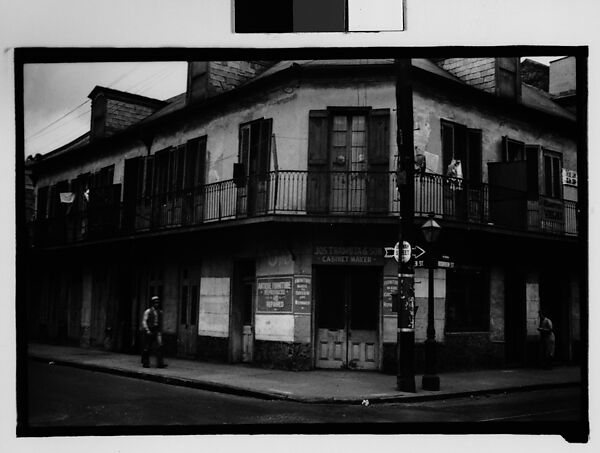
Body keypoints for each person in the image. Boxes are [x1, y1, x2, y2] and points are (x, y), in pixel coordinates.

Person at [141, 296, 167, 368]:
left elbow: (160, 322)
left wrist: (160, 331)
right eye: (155, 303)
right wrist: (147, 330)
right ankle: (145, 363)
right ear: (152, 303)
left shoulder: (160, 312)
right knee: (147, 347)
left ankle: (160, 363)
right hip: (150, 330)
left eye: (157, 303)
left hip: (157, 331)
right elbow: (144, 321)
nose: (156, 304)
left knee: (160, 346)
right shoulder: (148, 311)